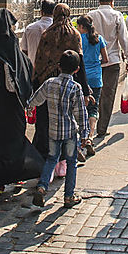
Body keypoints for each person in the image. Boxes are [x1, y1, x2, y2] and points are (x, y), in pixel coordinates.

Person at [0, 7, 44, 197]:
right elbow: (16, 76)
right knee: (12, 140)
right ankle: (19, 171)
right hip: (9, 106)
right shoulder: (7, 44)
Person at [28, 50, 89, 210]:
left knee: (51, 159)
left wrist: (29, 107)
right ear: (77, 69)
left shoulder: (50, 83)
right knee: (71, 163)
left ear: (58, 66)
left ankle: (42, 187)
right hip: (70, 133)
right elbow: (81, 113)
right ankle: (69, 196)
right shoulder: (75, 88)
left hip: (53, 131)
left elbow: (36, 99)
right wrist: (85, 134)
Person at [32, 3, 90, 159]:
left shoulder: (47, 34)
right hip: (68, 82)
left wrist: (35, 85)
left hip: (48, 82)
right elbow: (80, 62)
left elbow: (40, 61)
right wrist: (85, 89)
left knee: (45, 120)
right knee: (67, 119)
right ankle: (67, 155)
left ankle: (44, 155)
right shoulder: (74, 34)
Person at [88, 0, 128, 138]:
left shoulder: (91, 15)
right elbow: (124, 39)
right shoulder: (117, 15)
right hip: (112, 60)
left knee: (93, 93)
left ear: (99, 1)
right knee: (108, 94)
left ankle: (89, 127)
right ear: (112, 1)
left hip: (94, 61)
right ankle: (102, 127)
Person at [76, 14, 108, 155]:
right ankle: (89, 138)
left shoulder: (78, 39)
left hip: (81, 78)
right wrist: (96, 65)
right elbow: (105, 59)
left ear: (81, 26)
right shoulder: (99, 39)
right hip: (96, 77)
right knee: (93, 110)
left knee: (79, 108)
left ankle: (80, 140)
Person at [21, 0, 56, 67]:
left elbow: (24, 51)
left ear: (41, 12)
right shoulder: (57, 28)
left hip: (32, 68)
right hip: (50, 70)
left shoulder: (30, 28)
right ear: (54, 12)